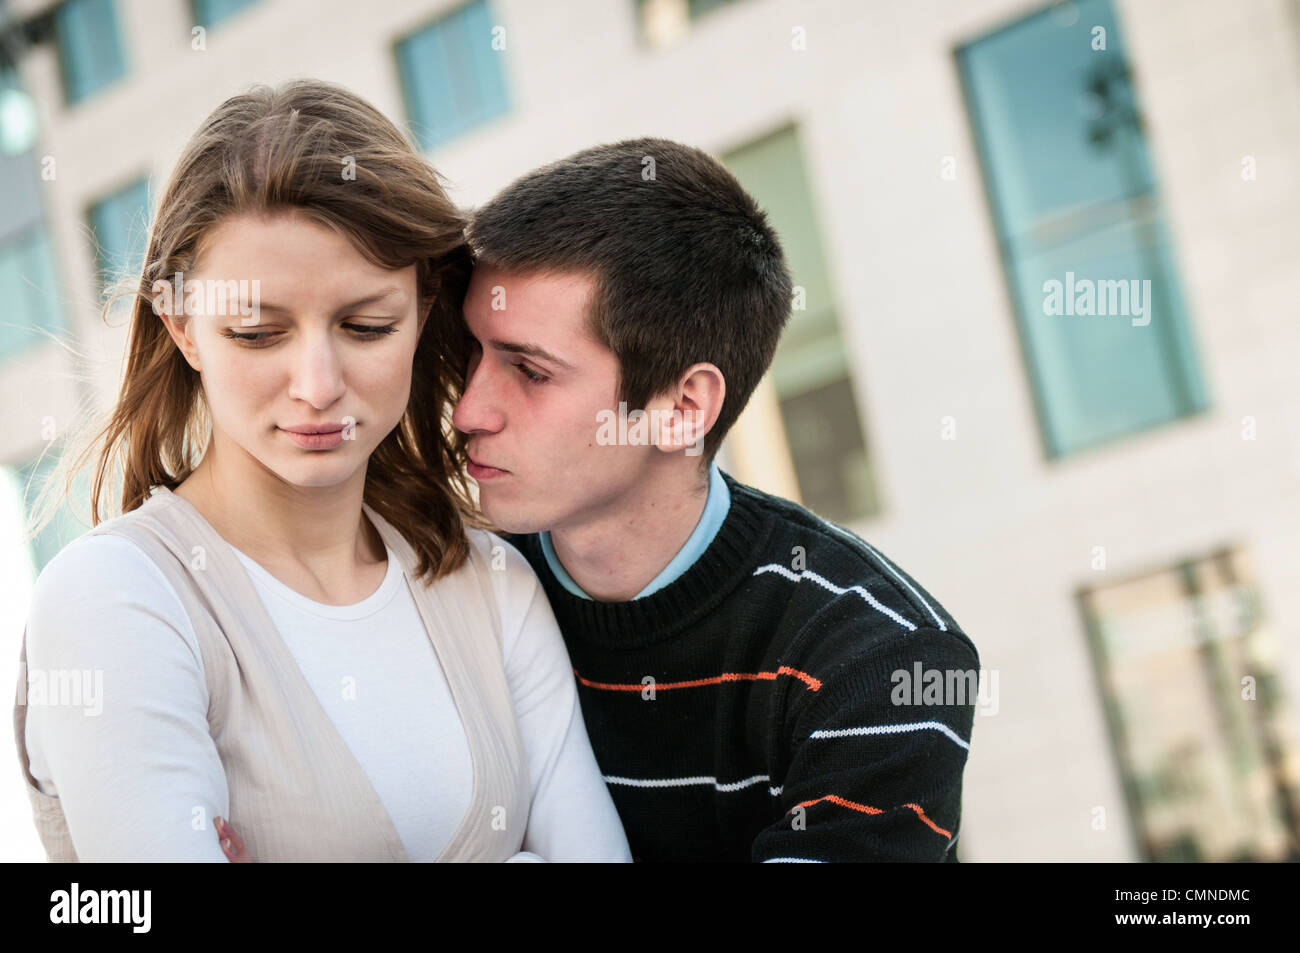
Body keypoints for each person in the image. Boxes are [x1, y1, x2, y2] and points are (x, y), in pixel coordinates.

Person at [13, 80, 631, 863]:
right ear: (183, 328)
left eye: (366, 326)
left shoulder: (491, 583)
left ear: (423, 305)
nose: (317, 384)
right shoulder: (115, 599)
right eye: (258, 332)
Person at [445, 137, 981, 862]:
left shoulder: (884, 661)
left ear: (683, 408)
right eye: (472, 354)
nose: (469, 411)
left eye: (530, 372)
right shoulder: (446, 589)